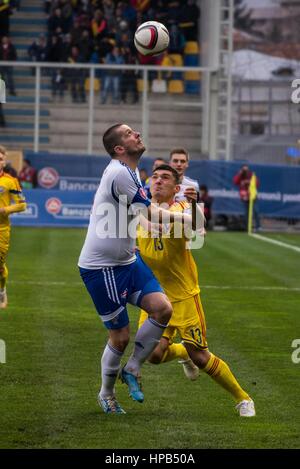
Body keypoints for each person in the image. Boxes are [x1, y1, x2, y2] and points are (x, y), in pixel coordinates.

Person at [78, 123, 193, 414]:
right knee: (121, 335)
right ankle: (106, 393)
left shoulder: (130, 173)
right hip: (101, 268)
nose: (137, 134)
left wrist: (153, 224)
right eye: (129, 134)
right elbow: (148, 209)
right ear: (119, 148)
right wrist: (181, 218)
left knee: (162, 309)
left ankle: (131, 368)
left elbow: (136, 213)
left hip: (128, 261)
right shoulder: (119, 172)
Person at [137, 164, 256, 417]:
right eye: (155, 177)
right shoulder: (137, 211)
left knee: (201, 357)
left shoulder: (180, 210)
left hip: (183, 297)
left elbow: (192, 227)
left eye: (165, 178)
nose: (158, 181)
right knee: (153, 355)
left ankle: (243, 398)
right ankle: (182, 353)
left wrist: (190, 207)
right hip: (155, 298)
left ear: (176, 189)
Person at [0, 145, 27, 309]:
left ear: (4, 161)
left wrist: (5, 210)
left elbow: (22, 205)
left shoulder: (10, 181)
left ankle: (2, 290)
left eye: (0, 158)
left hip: (1, 229)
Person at [233, 165, 260, 231]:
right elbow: (235, 182)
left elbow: (257, 183)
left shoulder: (251, 175)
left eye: (246, 170)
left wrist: (248, 182)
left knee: (255, 211)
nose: (245, 171)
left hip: (253, 196)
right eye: (244, 170)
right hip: (245, 197)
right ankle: (247, 227)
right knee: (246, 213)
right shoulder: (240, 176)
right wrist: (240, 174)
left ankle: (258, 226)